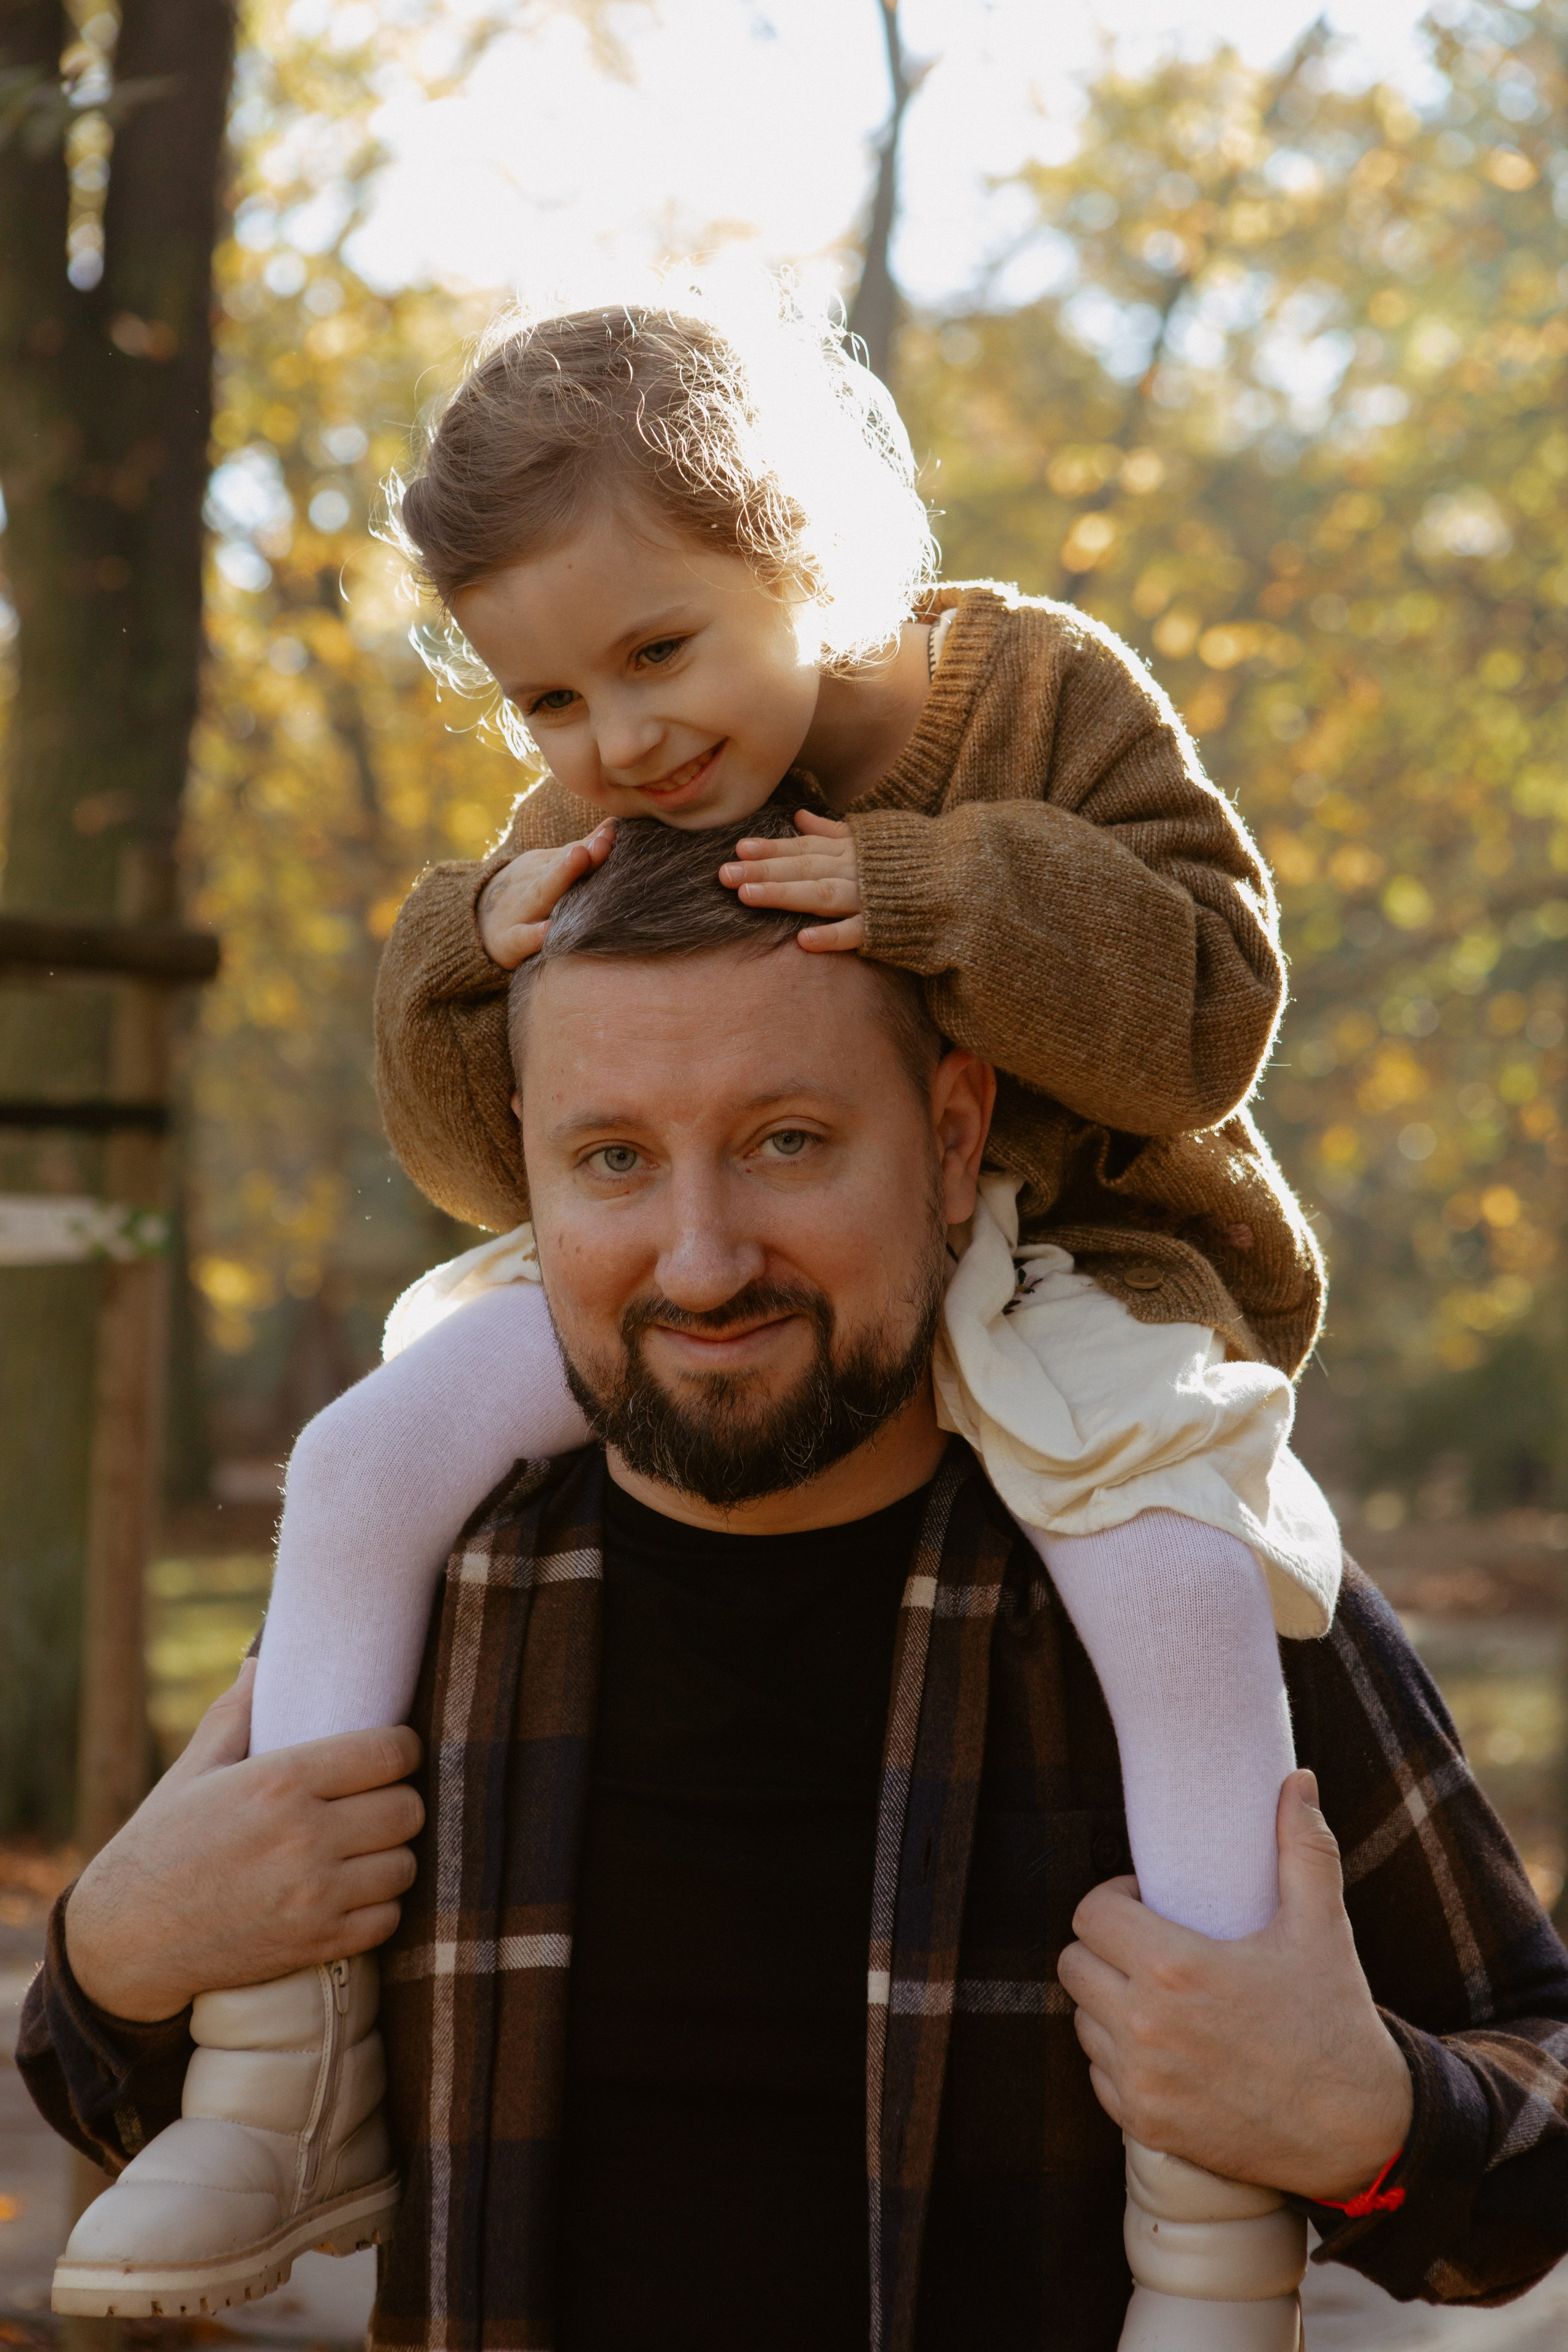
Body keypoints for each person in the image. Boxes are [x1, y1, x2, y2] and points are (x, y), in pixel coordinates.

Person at [52, 287, 1343, 2342]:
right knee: (364, 1450)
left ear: (806, 555)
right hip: (768, 1313)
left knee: (1182, 1597)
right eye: (549, 702)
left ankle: (1211, 2242)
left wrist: (933, 896)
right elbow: (505, 1168)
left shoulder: (1027, 692)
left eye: (660, 650)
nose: (623, 742)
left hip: (1077, 1265)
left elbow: (1214, 1005)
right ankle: (281, 2085)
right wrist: (454, 949)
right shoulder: (592, 819)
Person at [21, 822, 1568, 2352]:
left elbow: (1533, 2146)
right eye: (612, 1159)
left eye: (787, 1143)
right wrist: (116, 1951)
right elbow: (110, 2095)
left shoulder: (1185, 1583)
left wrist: (1365, 2126)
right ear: (529, 1166)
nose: (699, 1263)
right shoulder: (428, 1594)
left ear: (954, 1139)